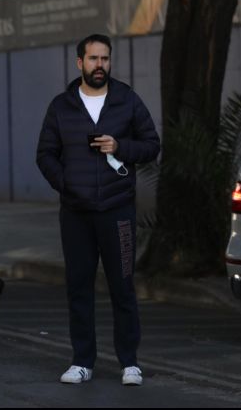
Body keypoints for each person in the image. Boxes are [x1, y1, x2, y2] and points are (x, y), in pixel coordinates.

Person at [36, 34, 160, 386]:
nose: (99, 65)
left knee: (122, 285)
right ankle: (82, 361)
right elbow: (44, 154)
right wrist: (67, 183)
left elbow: (152, 145)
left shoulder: (126, 100)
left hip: (117, 210)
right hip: (75, 212)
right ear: (80, 63)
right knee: (79, 287)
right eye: (93, 59)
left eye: (105, 59)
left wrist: (120, 146)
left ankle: (129, 362)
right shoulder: (62, 106)